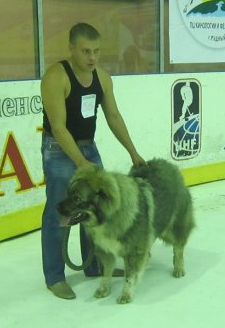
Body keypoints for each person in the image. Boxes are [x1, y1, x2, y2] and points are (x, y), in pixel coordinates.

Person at [40, 23, 146, 300]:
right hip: (59, 150)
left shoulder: (102, 78)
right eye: (86, 51)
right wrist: (80, 162)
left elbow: (113, 117)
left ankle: (95, 265)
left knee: (96, 209)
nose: (92, 57)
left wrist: (133, 153)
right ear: (71, 48)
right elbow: (59, 127)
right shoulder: (55, 77)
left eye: (96, 51)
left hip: (88, 148)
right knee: (59, 213)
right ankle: (54, 277)